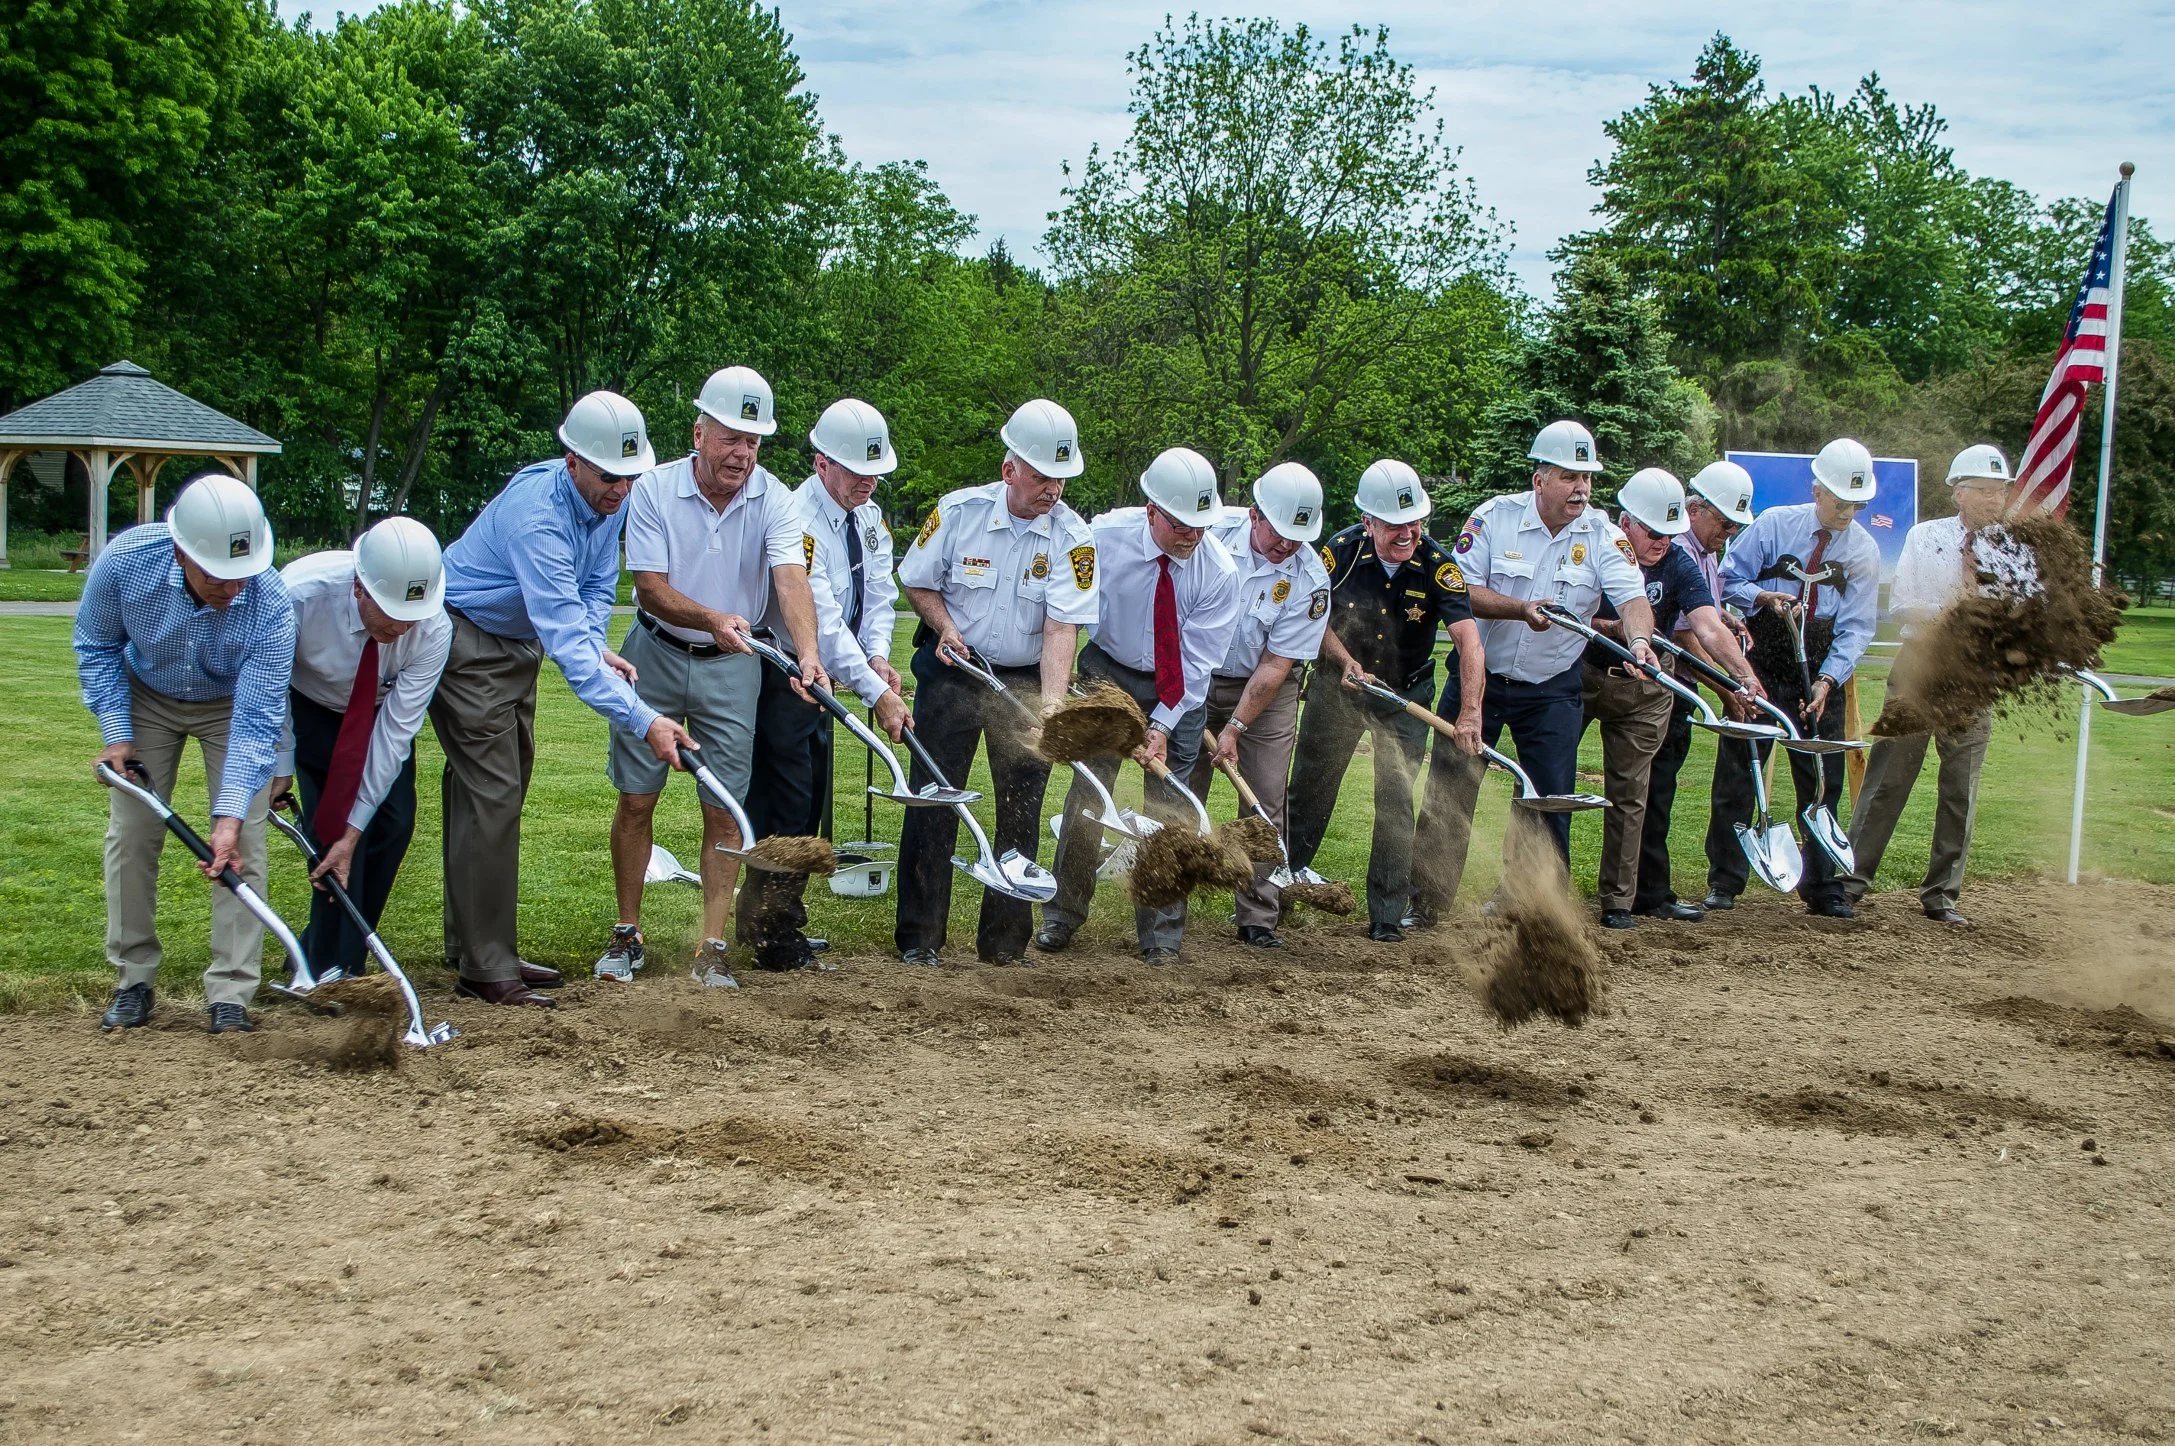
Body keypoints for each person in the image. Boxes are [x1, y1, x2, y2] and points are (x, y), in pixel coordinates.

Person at [432, 390, 698, 1008]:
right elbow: (571, 655)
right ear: (572, 460)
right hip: (468, 639)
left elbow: (598, 587)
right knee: (493, 794)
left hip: (514, 643)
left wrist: (597, 641)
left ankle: (472, 943)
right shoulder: (540, 519)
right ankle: (485, 965)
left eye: (631, 477)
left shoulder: (605, 504)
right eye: (610, 477)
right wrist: (645, 721)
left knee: (494, 789)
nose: (621, 490)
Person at [600, 366, 825, 988]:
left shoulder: (774, 498)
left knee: (724, 811)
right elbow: (650, 588)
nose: (742, 453)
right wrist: (711, 619)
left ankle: (712, 946)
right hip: (653, 655)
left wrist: (808, 653)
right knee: (637, 798)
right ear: (699, 434)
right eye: (730, 438)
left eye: (753, 442)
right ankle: (627, 933)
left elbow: (790, 578)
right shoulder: (654, 489)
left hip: (734, 668)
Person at [76, 474, 296, 1034]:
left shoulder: (271, 603)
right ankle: (133, 979)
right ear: (181, 553)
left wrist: (227, 818)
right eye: (217, 576)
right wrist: (117, 733)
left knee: (244, 840)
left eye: (242, 575)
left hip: (231, 704)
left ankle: (232, 992)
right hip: (147, 694)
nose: (233, 589)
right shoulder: (126, 562)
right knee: (132, 832)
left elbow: (257, 719)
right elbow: (97, 646)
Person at [1412, 421, 1656, 917]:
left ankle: (1531, 908)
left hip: (1552, 689)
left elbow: (1633, 598)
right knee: (1451, 790)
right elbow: (1461, 592)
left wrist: (1638, 642)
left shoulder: (1604, 535)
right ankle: (1426, 905)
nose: (1581, 488)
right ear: (1539, 480)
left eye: (1586, 478)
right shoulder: (1493, 518)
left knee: (1550, 802)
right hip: (1479, 679)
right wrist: (1520, 609)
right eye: (1569, 477)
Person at [895, 398, 1097, 966]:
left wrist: (1051, 709)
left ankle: (1005, 944)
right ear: (1010, 470)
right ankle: (920, 939)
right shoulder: (958, 512)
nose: (1053, 489)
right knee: (934, 799)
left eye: (1061, 478)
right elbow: (916, 581)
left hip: (1024, 679)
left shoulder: (1074, 538)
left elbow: (1061, 628)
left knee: (1021, 807)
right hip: (954, 670)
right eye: (1042, 477)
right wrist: (945, 626)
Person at [1036, 446, 1240, 964]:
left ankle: (1162, 936)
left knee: (1170, 810)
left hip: (1180, 688)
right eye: (1181, 524)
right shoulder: (1103, 537)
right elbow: (1068, 608)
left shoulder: (1219, 571)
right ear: (1151, 510)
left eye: (1201, 525)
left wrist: (1163, 727)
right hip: (1110, 671)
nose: (1192, 535)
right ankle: (1063, 913)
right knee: (1089, 792)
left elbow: (1198, 664)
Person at [730, 396, 906, 970]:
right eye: (856, 471)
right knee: (786, 802)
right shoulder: (798, 519)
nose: (868, 482)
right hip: (786, 671)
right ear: (821, 463)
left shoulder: (869, 517)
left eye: (875, 472)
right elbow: (823, 619)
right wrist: (877, 693)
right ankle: (770, 931)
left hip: (826, 676)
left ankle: (776, 917)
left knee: (809, 803)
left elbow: (879, 595)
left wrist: (877, 658)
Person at [1284, 459, 1483, 942]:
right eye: (1395, 524)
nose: (1408, 532)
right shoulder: (1339, 553)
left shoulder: (1438, 566)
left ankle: (1386, 917)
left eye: (1415, 521)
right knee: (1310, 790)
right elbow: (1313, 618)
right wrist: (1344, 660)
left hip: (1405, 693)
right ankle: (1277, 897)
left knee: (1396, 798)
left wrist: (1471, 712)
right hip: (1340, 687)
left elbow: (1469, 642)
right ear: (1368, 521)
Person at [1846, 444, 2032, 926]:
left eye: (2000, 491)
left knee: (1959, 788)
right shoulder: (1924, 536)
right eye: (1983, 490)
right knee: (1888, 779)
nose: (1994, 499)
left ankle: (1942, 895)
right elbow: (1901, 606)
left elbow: (2028, 615)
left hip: (1976, 677)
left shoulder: (2017, 549)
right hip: (1920, 667)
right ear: (1957, 492)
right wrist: (1956, 616)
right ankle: (1849, 881)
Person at [1578, 468, 1762, 929]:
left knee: (1635, 794)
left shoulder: (1678, 562)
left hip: (1645, 685)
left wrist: (1743, 675)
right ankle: (1536, 890)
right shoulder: (1594, 548)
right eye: (1653, 532)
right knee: (1554, 781)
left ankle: (1623, 900)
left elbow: (1707, 625)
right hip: (1579, 674)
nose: (1663, 542)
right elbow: (1565, 608)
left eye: (1669, 532)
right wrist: (1610, 627)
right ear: (1626, 522)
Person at [1707, 436, 1882, 918]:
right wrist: (1764, 598)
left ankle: (1823, 886)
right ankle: (1725, 880)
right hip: (1763, 658)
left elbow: (1857, 627)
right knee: (1740, 768)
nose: (1848, 512)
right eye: (1840, 501)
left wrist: (1827, 681)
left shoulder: (1863, 551)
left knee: (1822, 777)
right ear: (1817, 490)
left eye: (1856, 504)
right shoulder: (1774, 526)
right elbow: (1727, 580)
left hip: (1820, 665)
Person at [275, 517, 451, 979]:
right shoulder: (298, 596)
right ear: (359, 587)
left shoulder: (432, 627)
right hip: (309, 705)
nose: (403, 626)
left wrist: (353, 837)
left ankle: (329, 947)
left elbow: (395, 733)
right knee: (332, 827)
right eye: (391, 613)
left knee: (392, 824)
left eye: (412, 615)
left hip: (376, 712)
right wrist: (281, 761)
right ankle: (330, 965)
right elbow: (269, 684)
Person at [1182, 463, 1333, 948]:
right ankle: (1166, 910)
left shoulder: (1311, 578)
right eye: (1279, 532)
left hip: (1267, 688)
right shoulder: (1206, 533)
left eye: (1298, 536)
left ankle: (1258, 916)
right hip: (1196, 673)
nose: (1287, 544)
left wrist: (1235, 728)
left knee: (1263, 798)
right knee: (1182, 790)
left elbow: (1275, 664)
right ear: (1254, 514)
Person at [1633, 459, 1761, 920]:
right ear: (1695, 509)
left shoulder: (1705, 554)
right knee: (1650, 789)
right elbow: (1687, 635)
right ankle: (1645, 891)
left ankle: (1646, 889)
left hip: (1676, 684)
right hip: (1659, 679)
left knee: (1657, 791)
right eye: (1724, 523)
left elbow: (1706, 617)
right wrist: (1728, 686)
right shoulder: (1678, 549)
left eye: (1734, 526)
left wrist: (1727, 620)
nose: (1728, 533)